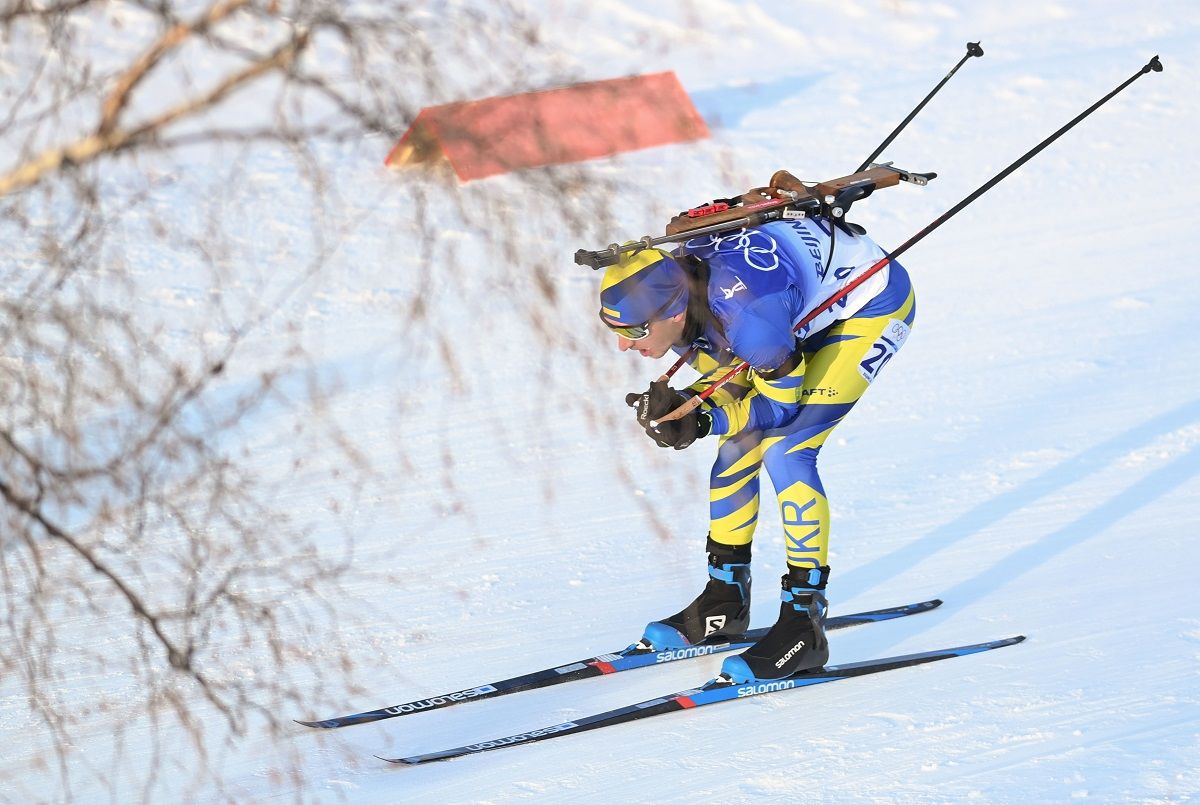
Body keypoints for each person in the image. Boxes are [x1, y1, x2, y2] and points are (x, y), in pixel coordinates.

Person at [597, 216, 915, 683]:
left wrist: (704, 418)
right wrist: (688, 404)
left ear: (674, 314)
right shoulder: (693, 284)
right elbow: (733, 381)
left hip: (870, 306)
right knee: (735, 451)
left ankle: (804, 624)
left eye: (637, 331)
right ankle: (725, 598)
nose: (625, 345)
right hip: (786, 303)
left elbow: (778, 407)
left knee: (787, 450)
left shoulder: (752, 325)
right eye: (616, 331)